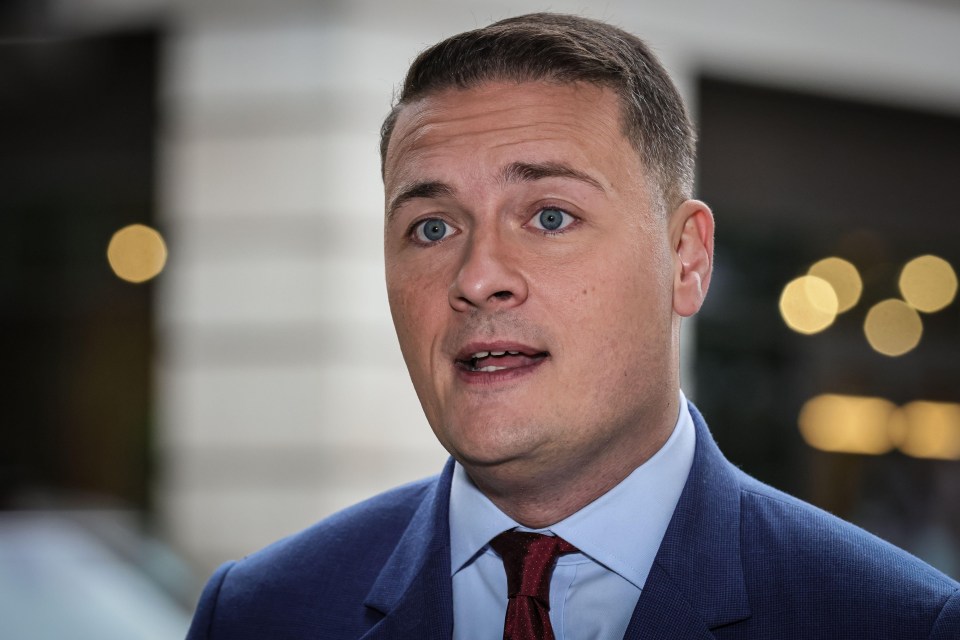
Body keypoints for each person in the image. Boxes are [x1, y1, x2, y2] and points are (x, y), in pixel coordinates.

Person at [186, 13, 959, 640]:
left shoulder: (898, 623)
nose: (477, 276)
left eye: (549, 216)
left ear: (685, 259)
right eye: (430, 228)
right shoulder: (260, 614)